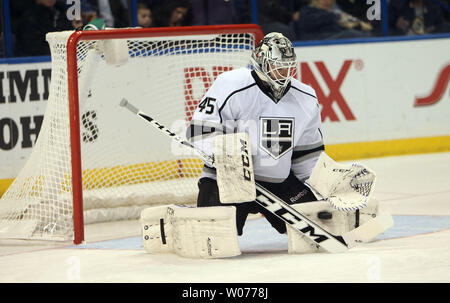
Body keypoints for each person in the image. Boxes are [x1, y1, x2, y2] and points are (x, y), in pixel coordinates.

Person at [186, 33, 324, 236]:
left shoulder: (305, 97)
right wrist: (227, 156)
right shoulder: (230, 84)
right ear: (261, 62)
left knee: (318, 224)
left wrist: (324, 187)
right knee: (214, 238)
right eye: (277, 65)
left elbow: (308, 155)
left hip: (278, 185)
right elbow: (199, 132)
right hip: (227, 180)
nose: (284, 72)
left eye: (287, 66)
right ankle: (183, 219)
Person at [294, 0, 372, 40]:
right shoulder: (307, 11)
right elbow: (313, 21)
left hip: (335, 37)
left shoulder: (336, 12)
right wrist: (337, 18)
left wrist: (357, 25)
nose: (326, 1)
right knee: (350, 34)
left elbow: (361, 25)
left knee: (361, 33)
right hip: (318, 40)